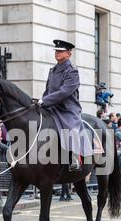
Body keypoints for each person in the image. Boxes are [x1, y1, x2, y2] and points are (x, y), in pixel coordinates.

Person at [38, 39, 92, 171]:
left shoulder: (72, 71)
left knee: (71, 126)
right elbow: (48, 89)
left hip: (67, 108)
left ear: (69, 54)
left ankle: (75, 158)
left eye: (61, 51)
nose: (57, 53)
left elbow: (65, 92)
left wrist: (45, 101)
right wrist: (41, 101)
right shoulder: (53, 70)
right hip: (52, 106)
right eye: (56, 51)